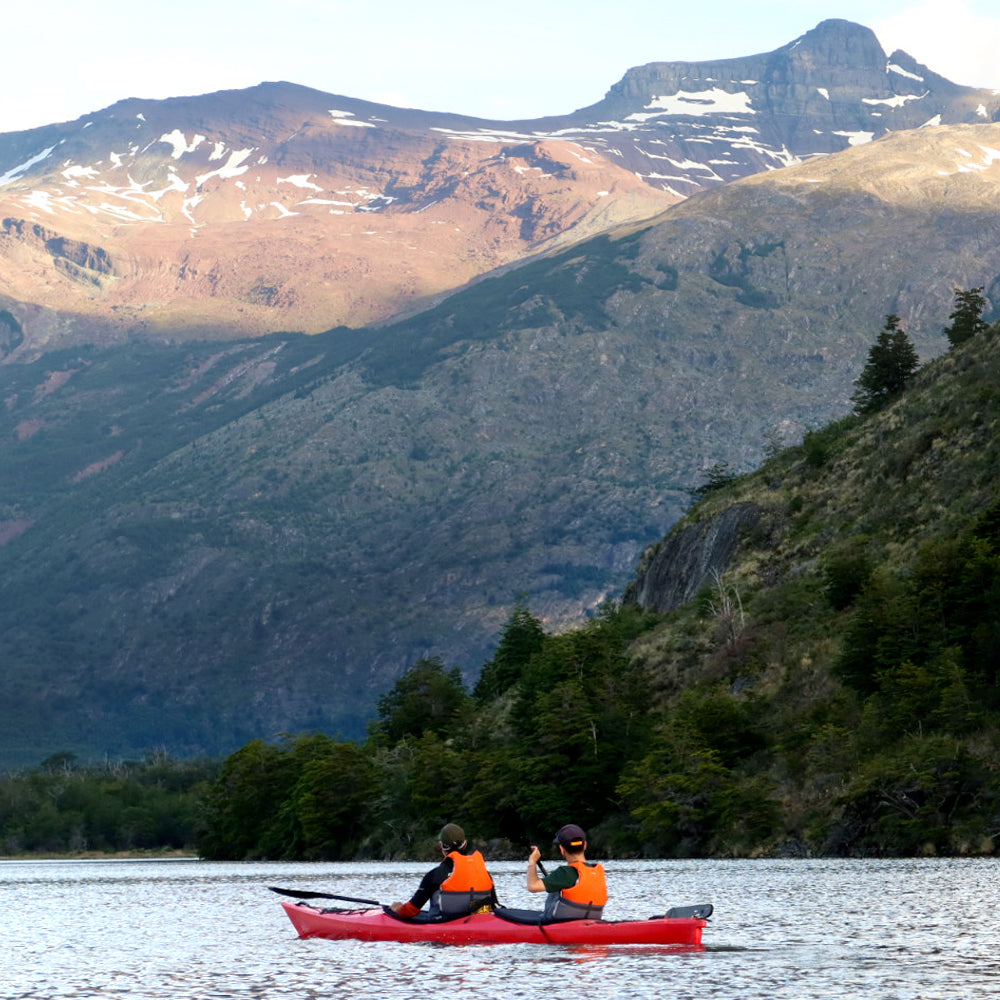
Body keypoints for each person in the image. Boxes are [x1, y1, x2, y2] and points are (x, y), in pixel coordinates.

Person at [390, 823, 496, 920]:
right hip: (479, 921)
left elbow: (411, 910)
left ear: (441, 846)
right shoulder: (484, 872)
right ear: (465, 844)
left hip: (444, 922)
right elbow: (493, 905)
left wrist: (397, 909)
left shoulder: (435, 875)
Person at [526, 823, 608, 921]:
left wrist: (532, 862)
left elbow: (533, 886)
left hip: (560, 923)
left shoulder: (565, 872)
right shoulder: (598, 871)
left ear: (562, 849)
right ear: (585, 845)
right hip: (591, 920)